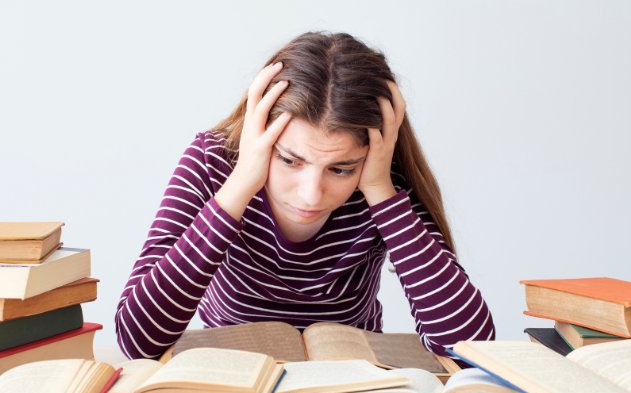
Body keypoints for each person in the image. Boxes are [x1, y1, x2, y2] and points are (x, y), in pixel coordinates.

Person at [115, 31, 495, 360]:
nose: (311, 195)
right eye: (290, 161)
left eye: (341, 168)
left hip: (352, 391)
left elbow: (470, 345)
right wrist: (242, 181)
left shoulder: (381, 181)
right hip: (233, 387)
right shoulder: (214, 162)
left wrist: (381, 193)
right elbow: (136, 340)